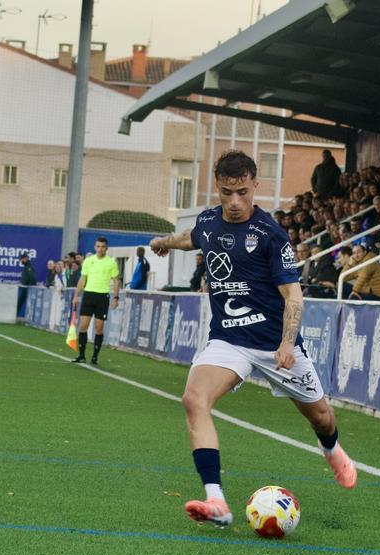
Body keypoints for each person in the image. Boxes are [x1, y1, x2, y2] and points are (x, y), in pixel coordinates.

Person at [148, 150, 356, 528]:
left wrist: (288, 343)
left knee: (322, 417)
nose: (235, 202)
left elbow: (293, 295)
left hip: (275, 343)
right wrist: (165, 241)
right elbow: (190, 238)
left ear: (256, 186)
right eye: (227, 192)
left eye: (243, 192)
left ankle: (331, 449)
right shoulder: (209, 222)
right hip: (228, 340)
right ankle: (217, 502)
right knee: (194, 399)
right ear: (218, 187)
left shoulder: (271, 235)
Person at [70, 236, 120, 364]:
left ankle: (95, 356)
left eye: (103, 247)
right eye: (98, 246)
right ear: (94, 247)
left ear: (106, 248)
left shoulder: (111, 262)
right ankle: (81, 356)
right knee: (83, 326)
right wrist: (76, 295)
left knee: (99, 328)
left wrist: (115, 297)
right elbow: (83, 279)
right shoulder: (88, 260)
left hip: (102, 297)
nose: (100, 249)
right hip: (88, 295)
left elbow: (116, 281)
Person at [16, 252, 36, 321]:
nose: (21, 261)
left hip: (27, 288)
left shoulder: (29, 267)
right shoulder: (26, 266)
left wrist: (30, 286)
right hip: (25, 288)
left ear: (26, 258)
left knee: (22, 302)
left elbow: (32, 278)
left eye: (22, 259)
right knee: (21, 302)